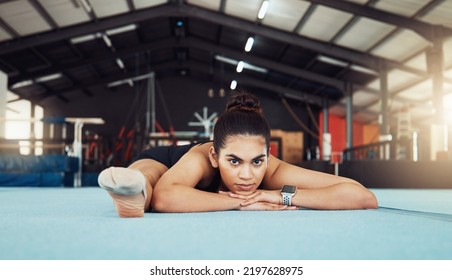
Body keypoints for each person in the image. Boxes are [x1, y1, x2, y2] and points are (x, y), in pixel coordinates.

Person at [98, 91, 378, 218]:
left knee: (149, 193)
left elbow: (363, 197)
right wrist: (241, 203)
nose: (247, 175)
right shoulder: (200, 159)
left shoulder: (274, 172)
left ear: (268, 155)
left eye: (257, 161)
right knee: (149, 179)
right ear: (214, 156)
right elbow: (165, 196)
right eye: (233, 161)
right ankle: (133, 188)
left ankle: (134, 195)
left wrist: (278, 195)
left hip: (196, 179)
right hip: (164, 159)